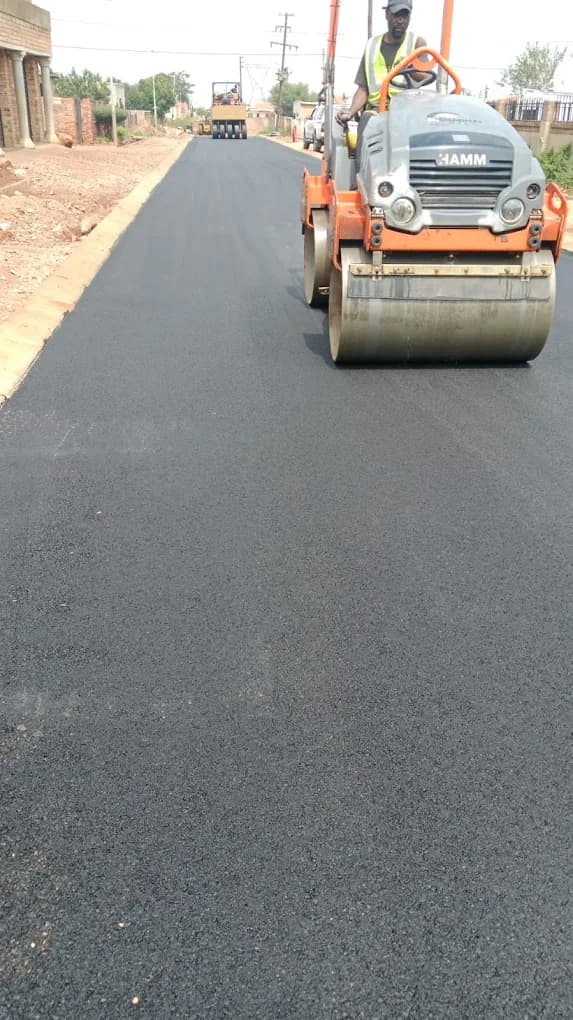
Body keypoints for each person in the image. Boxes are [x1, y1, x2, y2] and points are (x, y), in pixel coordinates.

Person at [336, 0, 428, 133]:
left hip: (406, 111)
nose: (400, 21)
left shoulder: (417, 43)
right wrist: (350, 111)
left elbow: (426, 75)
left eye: (405, 16)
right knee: (368, 129)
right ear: (387, 15)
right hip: (376, 112)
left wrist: (410, 69)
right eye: (396, 15)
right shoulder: (372, 46)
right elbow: (364, 88)